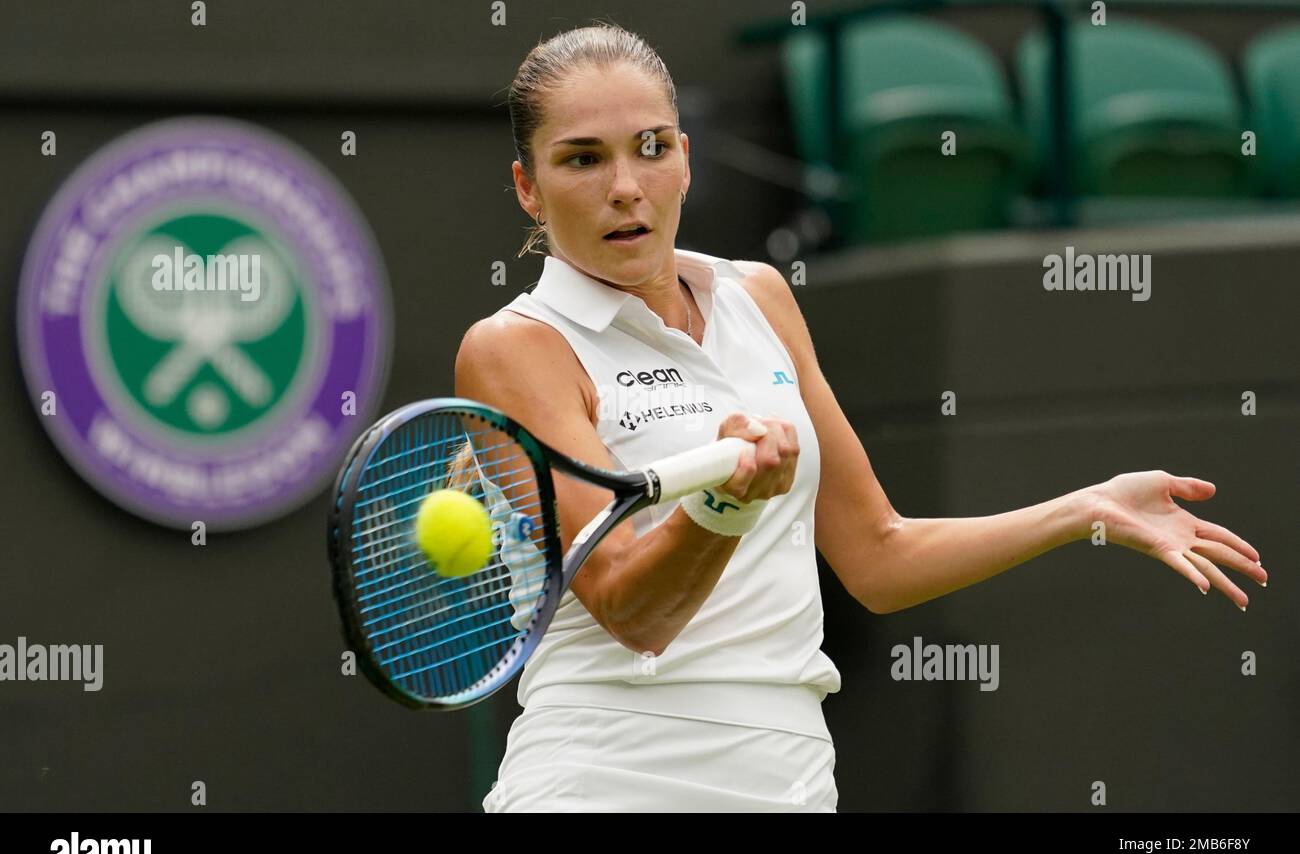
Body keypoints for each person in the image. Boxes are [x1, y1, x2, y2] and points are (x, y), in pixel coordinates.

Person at [454, 22, 1267, 813]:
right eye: (582, 159)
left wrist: (1082, 511)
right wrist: (724, 505)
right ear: (529, 186)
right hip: (607, 777)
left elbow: (878, 557)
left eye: (652, 146)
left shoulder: (760, 298)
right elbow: (632, 610)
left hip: (789, 776)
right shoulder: (515, 351)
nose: (625, 185)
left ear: (686, 159)